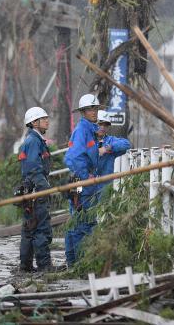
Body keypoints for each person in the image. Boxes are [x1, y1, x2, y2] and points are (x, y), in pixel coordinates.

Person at [64, 93, 101, 266]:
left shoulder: (90, 130)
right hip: (83, 184)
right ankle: (80, 264)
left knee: (76, 222)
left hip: (83, 183)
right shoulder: (82, 131)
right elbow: (73, 157)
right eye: (89, 109)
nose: (94, 112)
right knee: (83, 224)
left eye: (95, 108)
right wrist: (86, 177)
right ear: (83, 112)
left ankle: (73, 263)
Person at [18, 106, 53, 272]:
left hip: (30, 192)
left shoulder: (35, 140)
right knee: (41, 229)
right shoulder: (33, 141)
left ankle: (25, 266)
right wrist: (44, 188)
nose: (47, 121)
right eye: (43, 118)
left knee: (29, 229)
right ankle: (45, 266)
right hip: (36, 192)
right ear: (34, 122)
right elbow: (33, 168)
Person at [95, 110, 131, 191]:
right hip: (86, 187)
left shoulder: (111, 141)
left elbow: (127, 144)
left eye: (106, 125)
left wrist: (107, 148)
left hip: (104, 189)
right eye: (100, 124)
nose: (103, 127)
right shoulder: (86, 140)